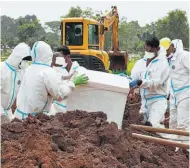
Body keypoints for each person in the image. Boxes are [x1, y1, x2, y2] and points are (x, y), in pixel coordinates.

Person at [14, 41, 88, 120]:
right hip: (33, 119)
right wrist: (73, 82)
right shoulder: (47, 71)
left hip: (19, 115)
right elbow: (59, 94)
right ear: (48, 54)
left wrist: (67, 77)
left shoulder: (29, 69)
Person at [129, 36, 170, 129]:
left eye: (151, 51)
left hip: (158, 100)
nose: (149, 53)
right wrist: (129, 85)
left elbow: (156, 83)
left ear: (157, 49)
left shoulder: (163, 64)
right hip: (144, 102)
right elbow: (133, 77)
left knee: (153, 125)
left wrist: (140, 82)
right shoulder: (140, 63)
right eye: (147, 50)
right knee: (142, 125)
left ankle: (169, 140)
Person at [49, 48, 88, 114]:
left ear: (68, 57)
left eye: (61, 58)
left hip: (75, 108)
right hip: (58, 109)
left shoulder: (80, 70)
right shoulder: (57, 71)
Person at [1, 43, 32, 124]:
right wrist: (1, 114)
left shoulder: (21, 71)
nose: (26, 63)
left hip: (8, 111)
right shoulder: (2, 70)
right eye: (24, 60)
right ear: (18, 57)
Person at [166, 39, 189, 144]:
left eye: (166, 49)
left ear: (172, 46)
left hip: (185, 93)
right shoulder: (169, 60)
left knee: (183, 124)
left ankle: (186, 149)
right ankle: (174, 149)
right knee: (173, 123)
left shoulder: (184, 56)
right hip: (174, 95)